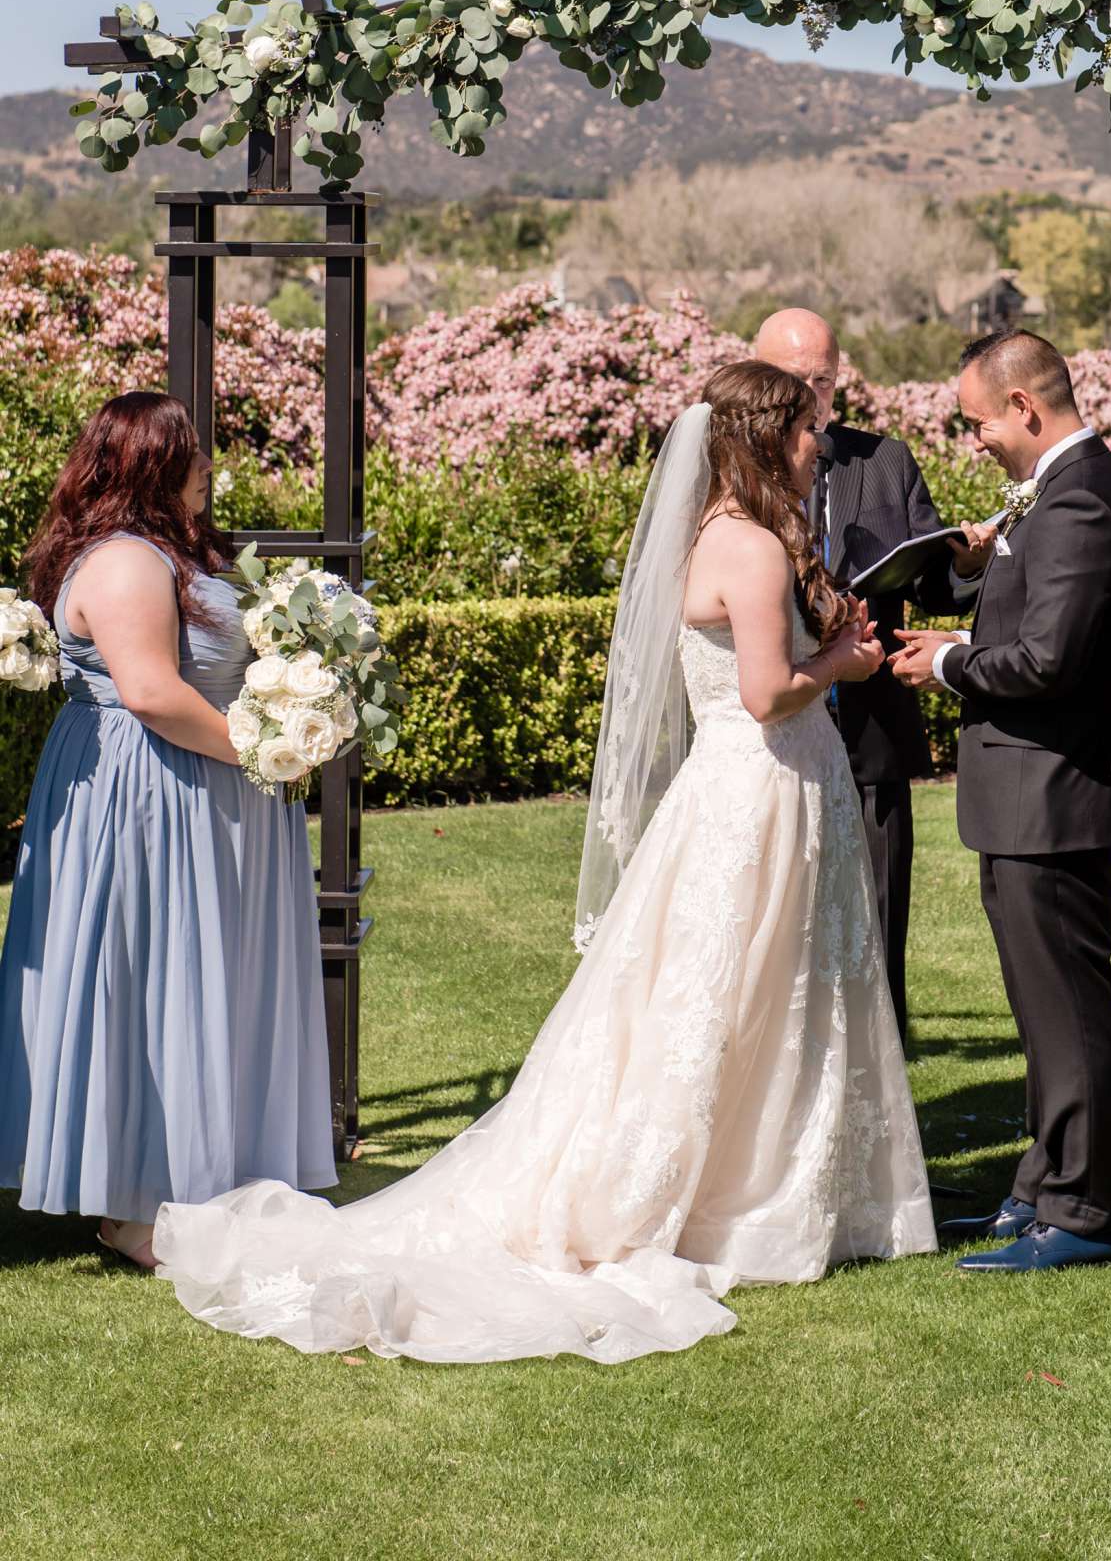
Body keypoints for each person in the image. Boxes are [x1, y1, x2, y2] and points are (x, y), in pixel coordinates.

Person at [152, 360, 936, 1365]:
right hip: (762, 783)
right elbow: (765, 691)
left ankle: (763, 1187)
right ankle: (738, 1202)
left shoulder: (720, 536)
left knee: (745, 992)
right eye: (798, 432)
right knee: (745, 993)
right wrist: (844, 665)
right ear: (756, 439)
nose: (815, 444)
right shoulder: (752, 548)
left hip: (755, 787)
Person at [0, 392, 334, 1269]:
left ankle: (209, 1170)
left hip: (199, 785)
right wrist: (264, 755)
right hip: (152, 790)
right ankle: (139, 1200)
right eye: (195, 454)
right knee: (156, 970)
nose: (209, 468)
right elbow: (149, 692)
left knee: (208, 973)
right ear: (155, 464)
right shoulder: (124, 563)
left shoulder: (170, 554)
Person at [892, 330, 1111, 1272]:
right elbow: (1028, 624)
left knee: (1071, 1008)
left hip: (1055, 794)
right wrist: (958, 626)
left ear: (1025, 411)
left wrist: (948, 664)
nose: (974, 442)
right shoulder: (1056, 492)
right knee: (1042, 1010)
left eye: (976, 424)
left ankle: (1082, 1212)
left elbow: (1049, 661)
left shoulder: (1080, 498)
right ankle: (1040, 1186)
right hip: (1021, 797)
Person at [752, 310, 988, 1040]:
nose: (810, 393)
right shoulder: (731, 472)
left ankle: (881, 1040)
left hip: (870, 721)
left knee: (878, 893)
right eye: (793, 379)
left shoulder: (884, 461)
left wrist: (965, 561)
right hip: (770, 722)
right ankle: (778, 1038)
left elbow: (934, 588)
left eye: (821, 378)